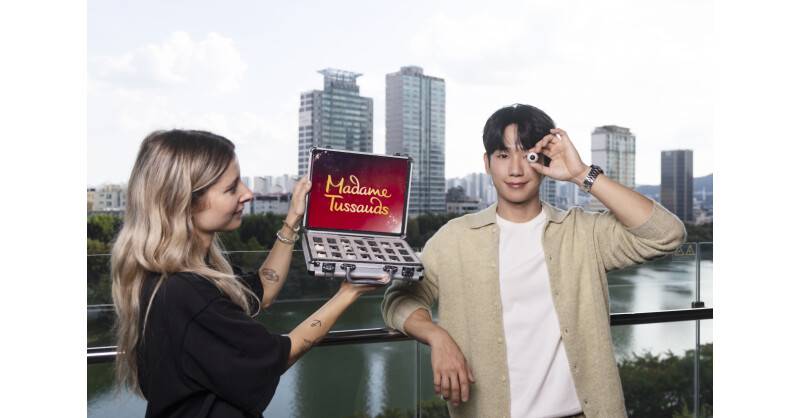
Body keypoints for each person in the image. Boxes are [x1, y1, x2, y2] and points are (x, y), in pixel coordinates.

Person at [381, 104, 686, 418]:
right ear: (487, 163)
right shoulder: (455, 238)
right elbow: (399, 299)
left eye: (528, 155)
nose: (515, 169)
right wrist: (437, 336)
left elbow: (666, 234)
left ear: (544, 161)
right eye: (502, 155)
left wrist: (582, 174)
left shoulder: (581, 231)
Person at [111, 129, 385, 417]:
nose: (248, 193)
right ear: (185, 202)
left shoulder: (190, 271)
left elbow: (263, 291)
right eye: (231, 189)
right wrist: (348, 292)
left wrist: (293, 218)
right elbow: (277, 356)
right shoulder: (185, 292)